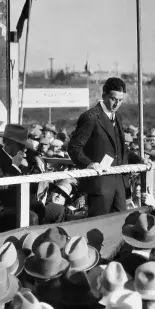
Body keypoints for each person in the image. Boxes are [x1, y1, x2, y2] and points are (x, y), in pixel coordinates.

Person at [67, 77, 129, 217]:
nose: (116, 104)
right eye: (113, 99)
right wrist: (89, 164)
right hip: (99, 186)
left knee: (120, 226)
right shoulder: (90, 117)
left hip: (119, 185)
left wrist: (141, 161)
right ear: (104, 96)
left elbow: (121, 150)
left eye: (120, 100)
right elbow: (74, 147)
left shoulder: (117, 117)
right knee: (98, 229)